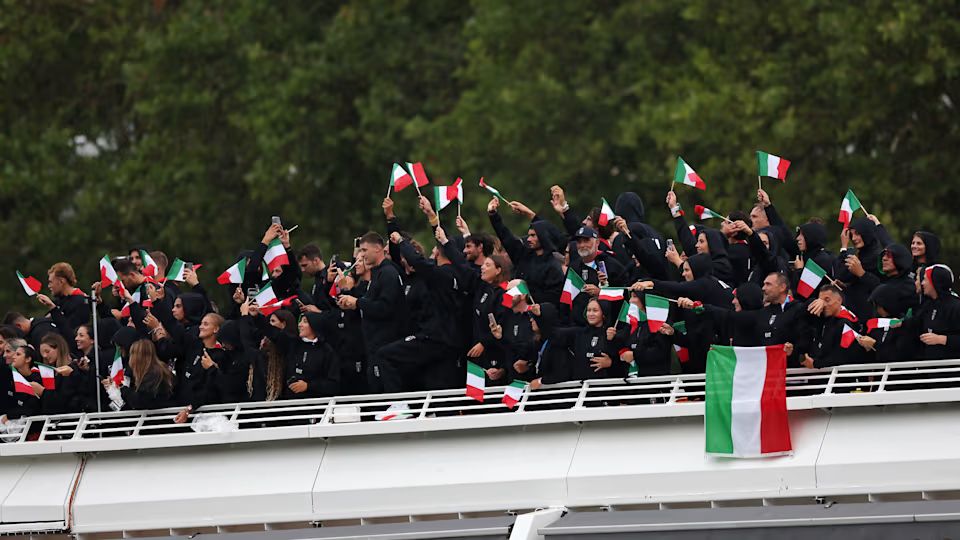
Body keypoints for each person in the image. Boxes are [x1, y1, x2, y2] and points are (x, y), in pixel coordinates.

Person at [336, 232, 406, 393]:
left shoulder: (388, 273)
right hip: (373, 345)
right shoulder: (378, 274)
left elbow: (386, 307)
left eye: (364, 250)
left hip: (386, 343)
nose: (361, 254)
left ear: (377, 249)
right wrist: (351, 302)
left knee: (383, 388)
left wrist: (358, 303)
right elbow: (370, 304)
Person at [249, 303, 340, 400]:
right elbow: (273, 333)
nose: (300, 324)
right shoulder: (293, 343)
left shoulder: (327, 351)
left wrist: (308, 386)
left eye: (305, 322)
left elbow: (333, 384)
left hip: (315, 406)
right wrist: (257, 317)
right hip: (290, 404)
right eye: (300, 321)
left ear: (315, 324)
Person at [487, 196, 565, 306]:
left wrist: (525, 292)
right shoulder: (523, 255)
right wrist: (493, 214)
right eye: (529, 235)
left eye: (533, 236)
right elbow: (506, 237)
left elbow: (552, 298)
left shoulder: (553, 266)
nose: (528, 239)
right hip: (514, 313)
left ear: (543, 237)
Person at [534, 298, 626, 381]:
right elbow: (554, 335)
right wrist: (539, 317)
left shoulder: (612, 334)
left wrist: (611, 363)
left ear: (604, 314)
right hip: (581, 390)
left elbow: (624, 366)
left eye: (595, 310)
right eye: (589, 310)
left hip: (603, 391)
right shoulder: (579, 333)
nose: (591, 314)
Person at [798, 285, 868, 369]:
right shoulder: (824, 318)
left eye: (827, 300)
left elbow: (843, 356)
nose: (823, 305)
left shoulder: (845, 323)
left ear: (839, 300)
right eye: (820, 301)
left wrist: (816, 363)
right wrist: (813, 301)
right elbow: (800, 314)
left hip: (840, 377)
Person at [900, 264, 960, 360]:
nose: (922, 283)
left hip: (951, 368)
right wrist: (900, 323)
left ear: (935, 282)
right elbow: (915, 322)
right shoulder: (928, 305)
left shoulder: (955, 306)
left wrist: (943, 339)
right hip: (931, 366)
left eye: (925, 279)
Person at [113, 339, 176, 411]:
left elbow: (139, 401)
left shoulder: (154, 374)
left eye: (132, 354)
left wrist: (123, 389)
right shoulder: (159, 370)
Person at [46, 262, 90, 329]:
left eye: (51, 282)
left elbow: (69, 330)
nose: (49, 286)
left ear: (61, 281)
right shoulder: (58, 301)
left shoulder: (81, 302)